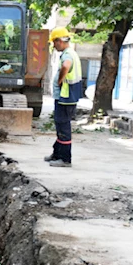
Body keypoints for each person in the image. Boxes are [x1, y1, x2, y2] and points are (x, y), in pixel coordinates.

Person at [45, 27, 83, 168]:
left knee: (63, 127)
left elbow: (66, 66)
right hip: (66, 97)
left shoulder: (67, 55)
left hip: (66, 97)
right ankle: (57, 154)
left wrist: (60, 80)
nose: (54, 46)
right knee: (60, 125)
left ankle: (65, 159)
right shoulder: (71, 53)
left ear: (60, 41)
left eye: (54, 43)